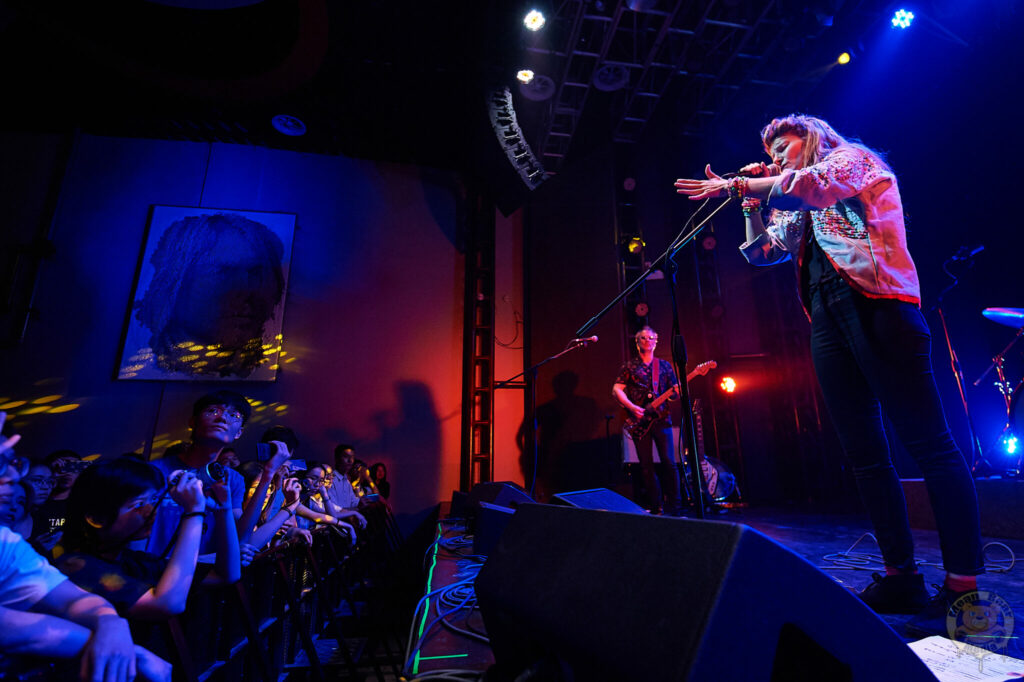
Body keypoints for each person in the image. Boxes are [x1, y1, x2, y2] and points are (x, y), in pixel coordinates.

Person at [674, 113, 984, 634]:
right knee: (865, 454)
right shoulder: (802, 203)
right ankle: (900, 574)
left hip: (879, 304)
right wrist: (751, 202)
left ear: (812, 137)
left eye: (783, 147)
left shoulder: (850, 162)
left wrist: (738, 182)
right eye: (771, 153)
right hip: (827, 314)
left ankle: (963, 590)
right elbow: (762, 251)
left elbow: (810, 185)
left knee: (930, 445)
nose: (776, 158)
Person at [0, 412, 171, 682]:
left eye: (10, 462)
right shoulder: (77, 562)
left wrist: (110, 621)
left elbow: (71, 599)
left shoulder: (4, 543)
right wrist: (132, 654)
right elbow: (13, 629)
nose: (11, 475)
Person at [55, 457, 239, 622]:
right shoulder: (74, 566)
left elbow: (226, 575)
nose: (151, 510)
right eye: (139, 504)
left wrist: (224, 510)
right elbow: (168, 604)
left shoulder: (132, 562)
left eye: (153, 500)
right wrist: (194, 512)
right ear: (96, 518)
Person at [612, 326, 684, 516]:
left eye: (651, 337)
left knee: (669, 462)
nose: (647, 340)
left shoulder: (665, 366)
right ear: (637, 342)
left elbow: (675, 394)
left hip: (662, 420)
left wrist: (675, 394)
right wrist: (632, 407)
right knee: (646, 466)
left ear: (656, 341)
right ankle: (655, 507)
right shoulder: (629, 366)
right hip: (640, 422)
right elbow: (617, 390)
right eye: (643, 338)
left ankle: (675, 509)